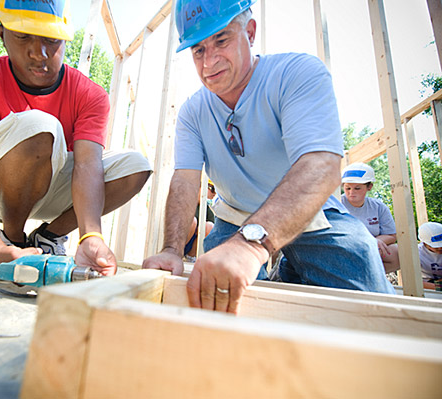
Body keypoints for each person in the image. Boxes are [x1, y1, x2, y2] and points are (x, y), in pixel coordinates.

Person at [142, 0, 394, 315]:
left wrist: (250, 244)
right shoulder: (194, 112)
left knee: (365, 288)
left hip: (311, 216)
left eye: (221, 40)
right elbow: (185, 179)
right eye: (198, 50)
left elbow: (321, 166)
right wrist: (171, 250)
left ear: (249, 32)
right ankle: (288, 271)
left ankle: (289, 269)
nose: (209, 62)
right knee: (216, 308)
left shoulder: (295, 74)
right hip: (234, 218)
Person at [0, 0, 151, 276]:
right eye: (23, 36)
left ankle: (47, 239)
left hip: (58, 190)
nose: (39, 53)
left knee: (135, 165)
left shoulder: (89, 95)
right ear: (1, 33)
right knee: (40, 124)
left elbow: (87, 165)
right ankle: (11, 238)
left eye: (51, 39)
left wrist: (90, 237)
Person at [340, 163, 400, 274]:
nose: (351, 192)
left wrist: (374, 242)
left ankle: (368, 277)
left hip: (371, 251)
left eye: (357, 188)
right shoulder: (336, 204)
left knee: (397, 252)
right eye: (347, 188)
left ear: (369, 187)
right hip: (343, 251)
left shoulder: (378, 207)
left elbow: (392, 235)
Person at [183, 180, 216, 262]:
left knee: (209, 226)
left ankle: (191, 257)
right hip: (179, 241)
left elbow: (213, 229)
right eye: (212, 189)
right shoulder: (186, 200)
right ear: (201, 186)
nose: (214, 193)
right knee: (192, 221)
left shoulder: (206, 208)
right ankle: (177, 253)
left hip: (192, 245)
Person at [418, 222, 442, 290]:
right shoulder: (417, 254)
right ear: (424, 243)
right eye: (435, 246)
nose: (440, 248)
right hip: (428, 286)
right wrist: (438, 287)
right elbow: (413, 281)